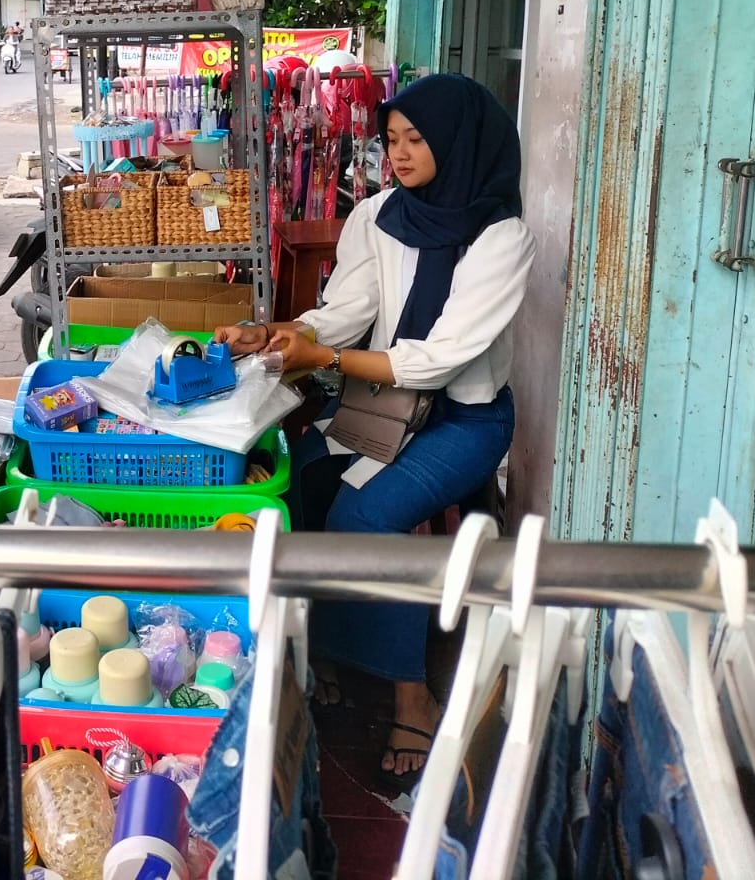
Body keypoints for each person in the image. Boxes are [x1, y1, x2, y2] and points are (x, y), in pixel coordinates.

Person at [214, 72, 534, 790]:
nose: (400, 154)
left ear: (460, 142)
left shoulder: (501, 237)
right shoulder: (379, 215)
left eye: (417, 139)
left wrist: (323, 356)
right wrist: (276, 333)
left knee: (369, 511)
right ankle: (326, 649)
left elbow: (443, 357)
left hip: (463, 418)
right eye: (391, 139)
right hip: (378, 408)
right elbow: (346, 310)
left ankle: (408, 694)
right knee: (298, 485)